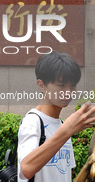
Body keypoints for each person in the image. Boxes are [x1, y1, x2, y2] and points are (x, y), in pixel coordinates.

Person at [17, 51, 95, 182]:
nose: (68, 92)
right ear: (41, 85)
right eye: (61, 85)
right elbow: (26, 169)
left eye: (73, 85)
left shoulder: (63, 124)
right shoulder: (33, 121)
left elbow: (65, 174)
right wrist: (67, 130)